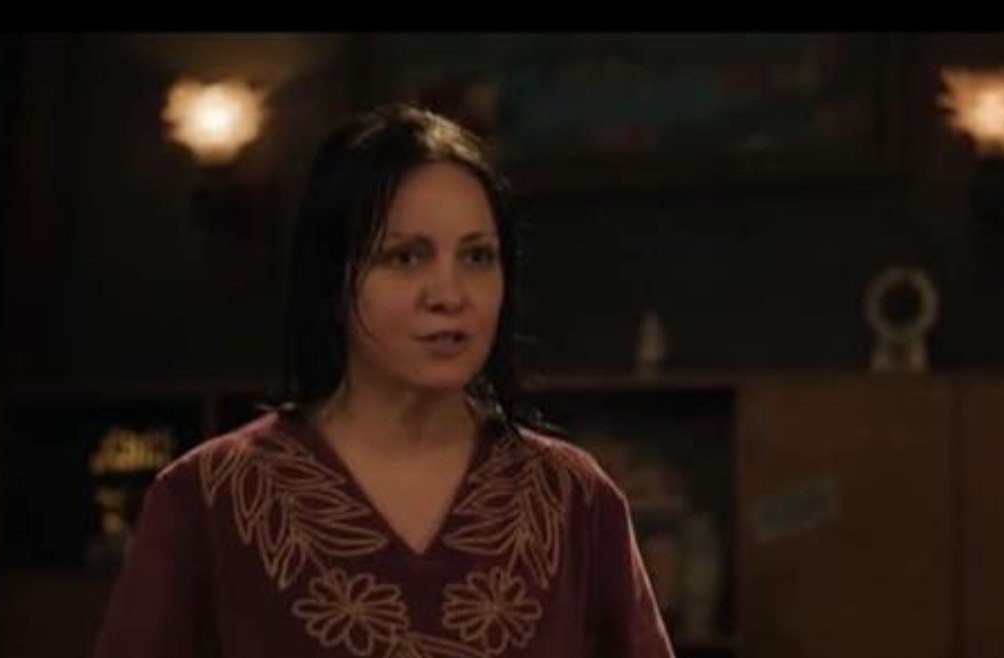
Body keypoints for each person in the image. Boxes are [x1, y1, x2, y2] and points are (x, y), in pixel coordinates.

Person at [93, 104, 674, 658]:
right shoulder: (207, 497)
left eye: (477, 257)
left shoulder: (573, 497)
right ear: (333, 279)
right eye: (405, 257)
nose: (449, 295)